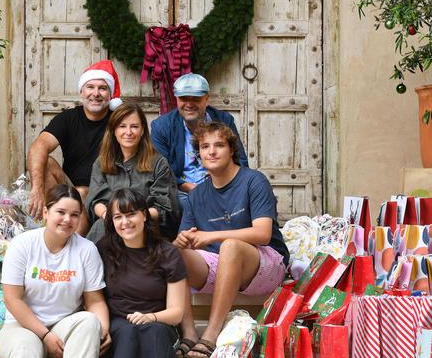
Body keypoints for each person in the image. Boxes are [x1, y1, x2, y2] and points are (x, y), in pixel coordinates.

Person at [172, 122, 289, 358]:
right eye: (205, 147)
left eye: (219, 145)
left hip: (265, 264)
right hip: (219, 263)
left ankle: (210, 336)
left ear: (231, 150)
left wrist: (213, 235)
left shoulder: (253, 181)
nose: (212, 151)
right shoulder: (197, 195)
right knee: (174, 253)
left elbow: (263, 233)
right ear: (199, 154)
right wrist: (182, 241)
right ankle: (189, 333)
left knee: (231, 246)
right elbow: (188, 241)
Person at [0, 184, 111, 358]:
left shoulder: (86, 250)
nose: (67, 219)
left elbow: (95, 301)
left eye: (74, 215)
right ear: (45, 212)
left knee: (89, 321)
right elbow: (12, 299)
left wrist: (102, 330)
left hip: (64, 326)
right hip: (22, 326)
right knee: (25, 348)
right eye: (61, 212)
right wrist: (45, 335)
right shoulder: (22, 245)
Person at [27, 60, 123, 235]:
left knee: (83, 193)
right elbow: (38, 147)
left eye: (102, 88)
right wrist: (37, 188)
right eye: (90, 87)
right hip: (70, 189)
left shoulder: (119, 121)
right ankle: (50, 224)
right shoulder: (68, 118)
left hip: (107, 192)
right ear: (81, 92)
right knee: (46, 162)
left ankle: (68, 248)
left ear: (110, 94)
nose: (96, 93)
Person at [97, 188, 187, 358]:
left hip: (160, 323)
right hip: (118, 322)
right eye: (118, 217)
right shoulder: (104, 249)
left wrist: (151, 317)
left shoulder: (168, 253)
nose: (125, 222)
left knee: (153, 332)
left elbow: (176, 313)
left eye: (131, 214)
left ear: (144, 215)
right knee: (127, 333)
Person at [85, 102, 180, 241]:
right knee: (100, 227)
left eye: (134, 126)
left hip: (147, 225)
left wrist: (135, 217)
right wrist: (112, 218)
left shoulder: (158, 163)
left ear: (142, 130)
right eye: (122, 126)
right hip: (111, 223)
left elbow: (165, 207)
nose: (128, 132)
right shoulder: (102, 162)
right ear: (113, 131)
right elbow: (96, 201)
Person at [150, 73, 248, 208]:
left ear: (206, 99)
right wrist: (187, 187)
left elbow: (240, 160)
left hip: (221, 184)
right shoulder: (161, 126)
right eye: (184, 98)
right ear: (177, 99)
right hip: (181, 191)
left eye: (195, 98)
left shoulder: (224, 120)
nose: (189, 104)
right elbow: (160, 170)